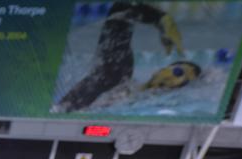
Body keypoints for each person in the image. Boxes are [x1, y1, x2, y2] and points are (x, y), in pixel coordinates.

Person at [55, 1, 184, 112]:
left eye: (184, 82)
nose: (177, 80)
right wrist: (161, 18)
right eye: (178, 72)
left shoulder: (159, 107)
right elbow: (120, 13)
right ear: (160, 70)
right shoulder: (117, 77)